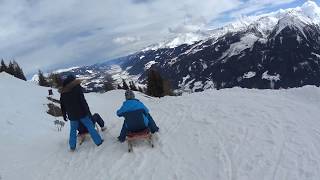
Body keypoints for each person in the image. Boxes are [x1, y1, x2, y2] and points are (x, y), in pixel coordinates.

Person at [59, 75, 103, 151]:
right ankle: (98, 142)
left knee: (73, 130)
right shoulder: (77, 88)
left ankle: (72, 147)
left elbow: (62, 105)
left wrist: (64, 115)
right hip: (82, 113)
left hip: (72, 115)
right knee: (90, 127)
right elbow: (83, 101)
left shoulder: (63, 92)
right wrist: (88, 112)